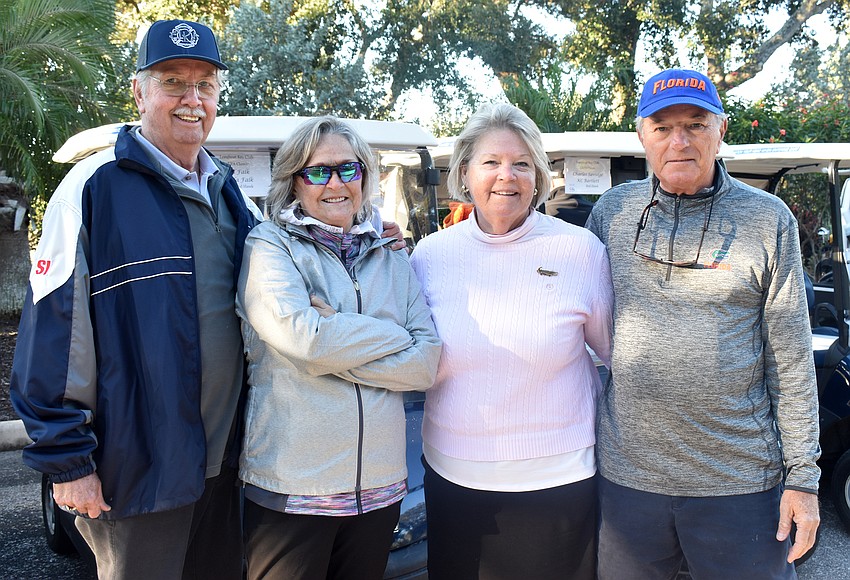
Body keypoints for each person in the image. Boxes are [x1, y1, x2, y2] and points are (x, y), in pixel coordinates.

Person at [9, 19, 404, 579]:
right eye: (173, 82)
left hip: (225, 466)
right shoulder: (92, 187)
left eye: (205, 85)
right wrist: (68, 462)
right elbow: (54, 332)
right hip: (136, 469)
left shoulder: (232, 196)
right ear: (139, 91)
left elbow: (293, 271)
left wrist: (367, 233)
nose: (191, 100)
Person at [586, 68, 821, 579]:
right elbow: (561, 305)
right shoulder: (611, 213)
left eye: (696, 124)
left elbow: (792, 359)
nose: (680, 141)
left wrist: (803, 479)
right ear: (641, 136)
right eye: (663, 127)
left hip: (741, 484)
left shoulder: (768, 219)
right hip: (629, 481)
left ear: (721, 129)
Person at [409, 103, 613, 579]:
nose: (507, 176)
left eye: (522, 163)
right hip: (453, 477)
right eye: (491, 162)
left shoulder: (579, 250)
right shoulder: (429, 256)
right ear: (464, 173)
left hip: (559, 481)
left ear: (539, 177)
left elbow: (615, 353)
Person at [236, 115, 442, 580]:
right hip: (294, 487)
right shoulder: (269, 245)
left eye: (349, 170)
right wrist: (394, 337)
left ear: (365, 177)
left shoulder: (389, 253)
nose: (335, 183)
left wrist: (335, 341)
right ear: (294, 182)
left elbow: (426, 364)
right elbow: (304, 339)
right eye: (318, 171)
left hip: (380, 487)